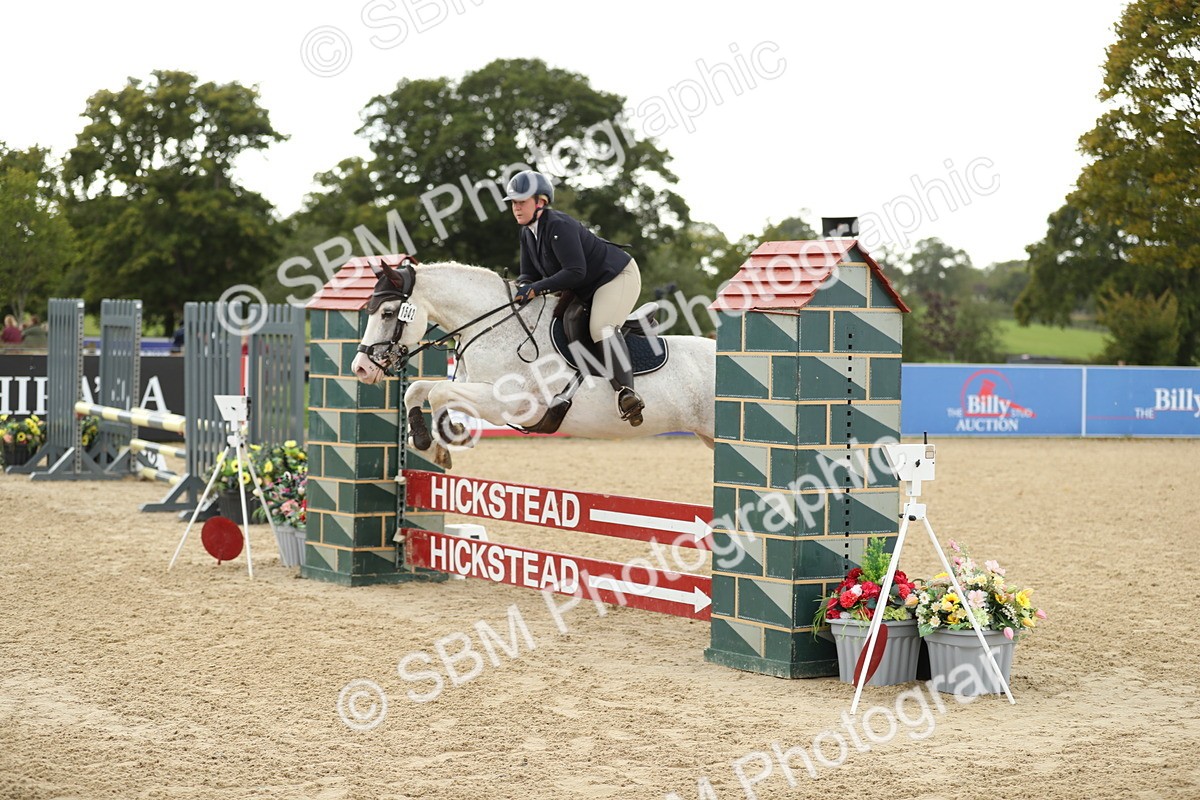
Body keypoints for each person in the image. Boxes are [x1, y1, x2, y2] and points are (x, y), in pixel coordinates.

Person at [505, 169, 645, 426]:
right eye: (513, 202)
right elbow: (529, 273)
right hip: (586, 286)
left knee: (600, 327)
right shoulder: (528, 232)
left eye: (521, 201)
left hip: (616, 277)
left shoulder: (559, 225)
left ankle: (626, 393)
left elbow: (575, 271)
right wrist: (523, 287)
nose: (516, 208)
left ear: (541, 202)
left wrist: (535, 289)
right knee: (568, 320)